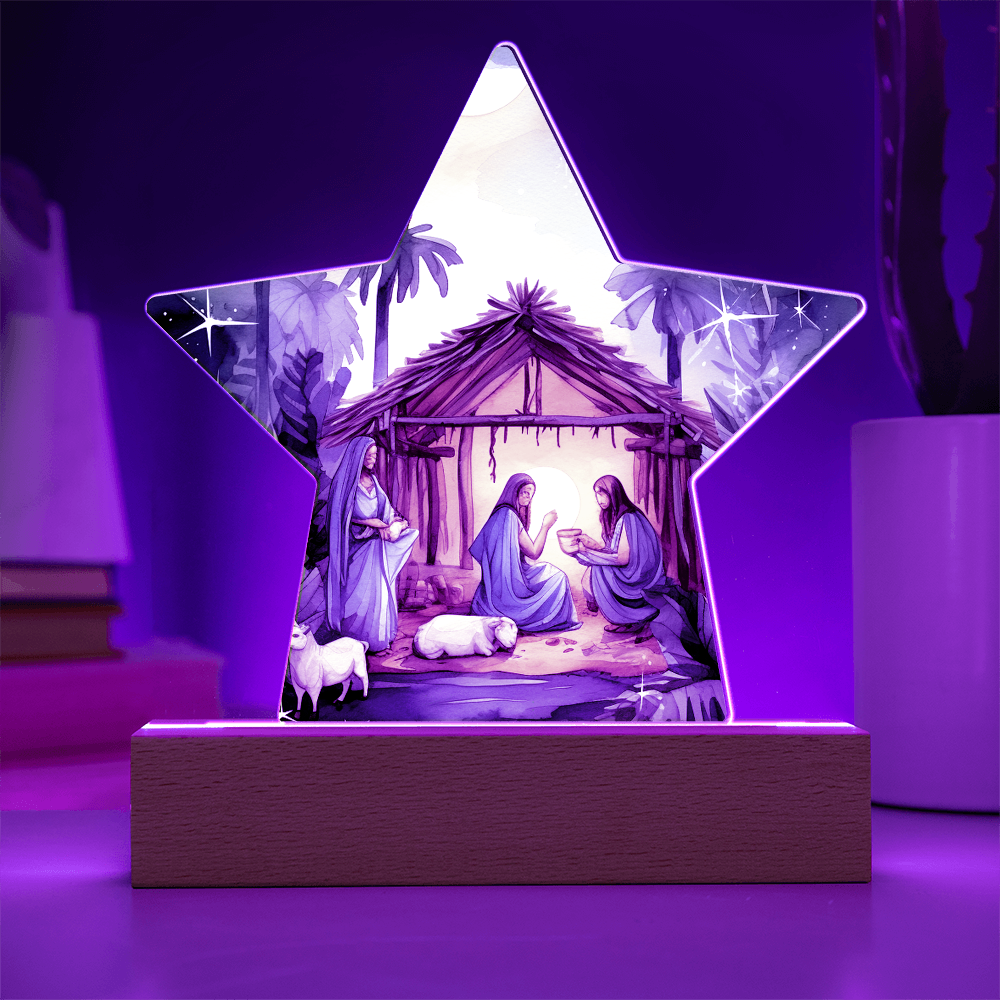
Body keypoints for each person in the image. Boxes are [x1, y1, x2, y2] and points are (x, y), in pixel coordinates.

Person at [325, 436, 418, 653]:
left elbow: (387, 510)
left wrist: (396, 522)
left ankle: (376, 639)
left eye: (375, 455)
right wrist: (370, 523)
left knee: (378, 594)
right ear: (358, 456)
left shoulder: (374, 482)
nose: (372, 459)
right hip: (356, 550)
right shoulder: (346, 483)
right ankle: (353, 640)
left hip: (376, 549)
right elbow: (341, 519)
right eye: (368, 455)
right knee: (357, 596)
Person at [469, 472, 580, 633]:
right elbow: (534, 553)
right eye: (525, 492)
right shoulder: (509, 515)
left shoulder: (501, 514)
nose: (528, 497)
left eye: (531, 494)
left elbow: (479, 550)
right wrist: (546, 526)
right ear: (514, 492)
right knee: (558, 577)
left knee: (549, 572)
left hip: (497, 582)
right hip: (510, 584)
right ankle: (548, 621)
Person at [572, 475, 666, 634]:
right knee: (597, 568)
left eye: (602, 494)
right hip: (631, 568)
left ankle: (633, 618)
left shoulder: (629, 517)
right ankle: (625, 620)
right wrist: (592, 545)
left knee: (599, 569)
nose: (599, 499)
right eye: (596, 494)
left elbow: (622, 558)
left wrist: (586, 552)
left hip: (640, 573)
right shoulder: (614, 515)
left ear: (614, 493)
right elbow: (614, 548)